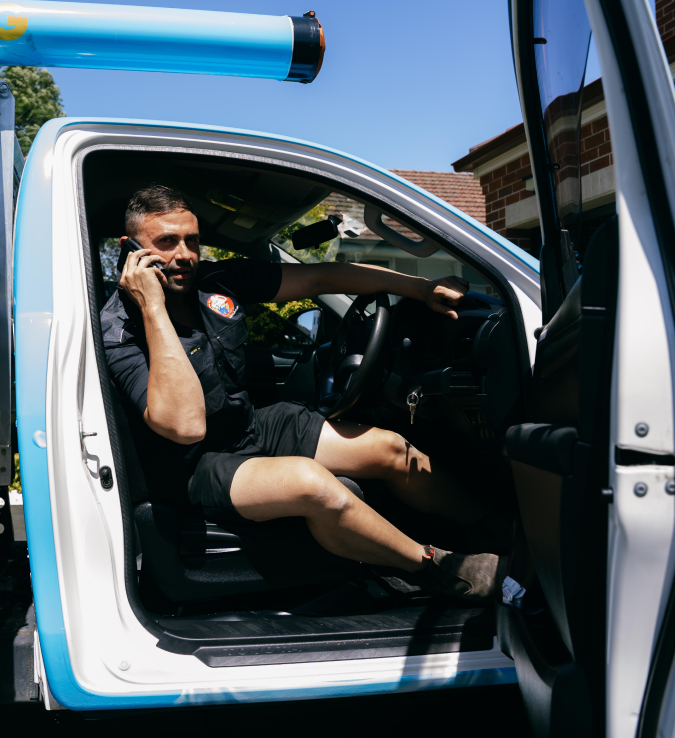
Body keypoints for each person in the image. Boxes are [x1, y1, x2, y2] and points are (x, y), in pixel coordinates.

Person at [101, 185, 506, 601]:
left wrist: (420, 288)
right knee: (313, 484)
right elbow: (186, 426)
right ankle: (435, 568)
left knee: (391, 450)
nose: (184, 254)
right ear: (130, 249)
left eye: (192, 240)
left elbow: (321, 277)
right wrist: (153, 308)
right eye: (166, 242)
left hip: (250, 427)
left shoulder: (217, 280)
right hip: (195, 466)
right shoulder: (119, 330)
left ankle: (500, 528)